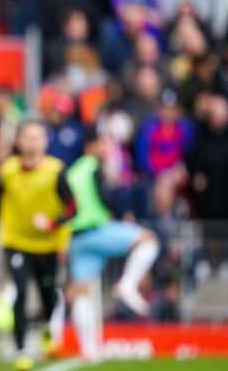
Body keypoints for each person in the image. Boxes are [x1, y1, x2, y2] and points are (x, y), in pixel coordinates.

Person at [0, 119, 74, 371]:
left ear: (45, 141)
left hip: (48, 245)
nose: (32, 142)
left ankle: (45, 326)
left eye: (38, 137)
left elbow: (73, 208)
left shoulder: (56, 170)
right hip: (15, 241)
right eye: (28, 137)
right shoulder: (8, 169)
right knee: (20, 292)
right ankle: (21, 349)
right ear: (19, 142)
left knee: (48, 296)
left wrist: (52, 223)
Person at [63, 129, 159, 360]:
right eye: (102, 144)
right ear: (90, 146)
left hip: (77, 236)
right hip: (97, 228)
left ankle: (89, 350)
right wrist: (122, 212)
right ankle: (128, 284)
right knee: (148, 240)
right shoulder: (93, 167)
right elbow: (104, 196)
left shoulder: (71, 171)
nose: (106, 150)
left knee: (82, 291)